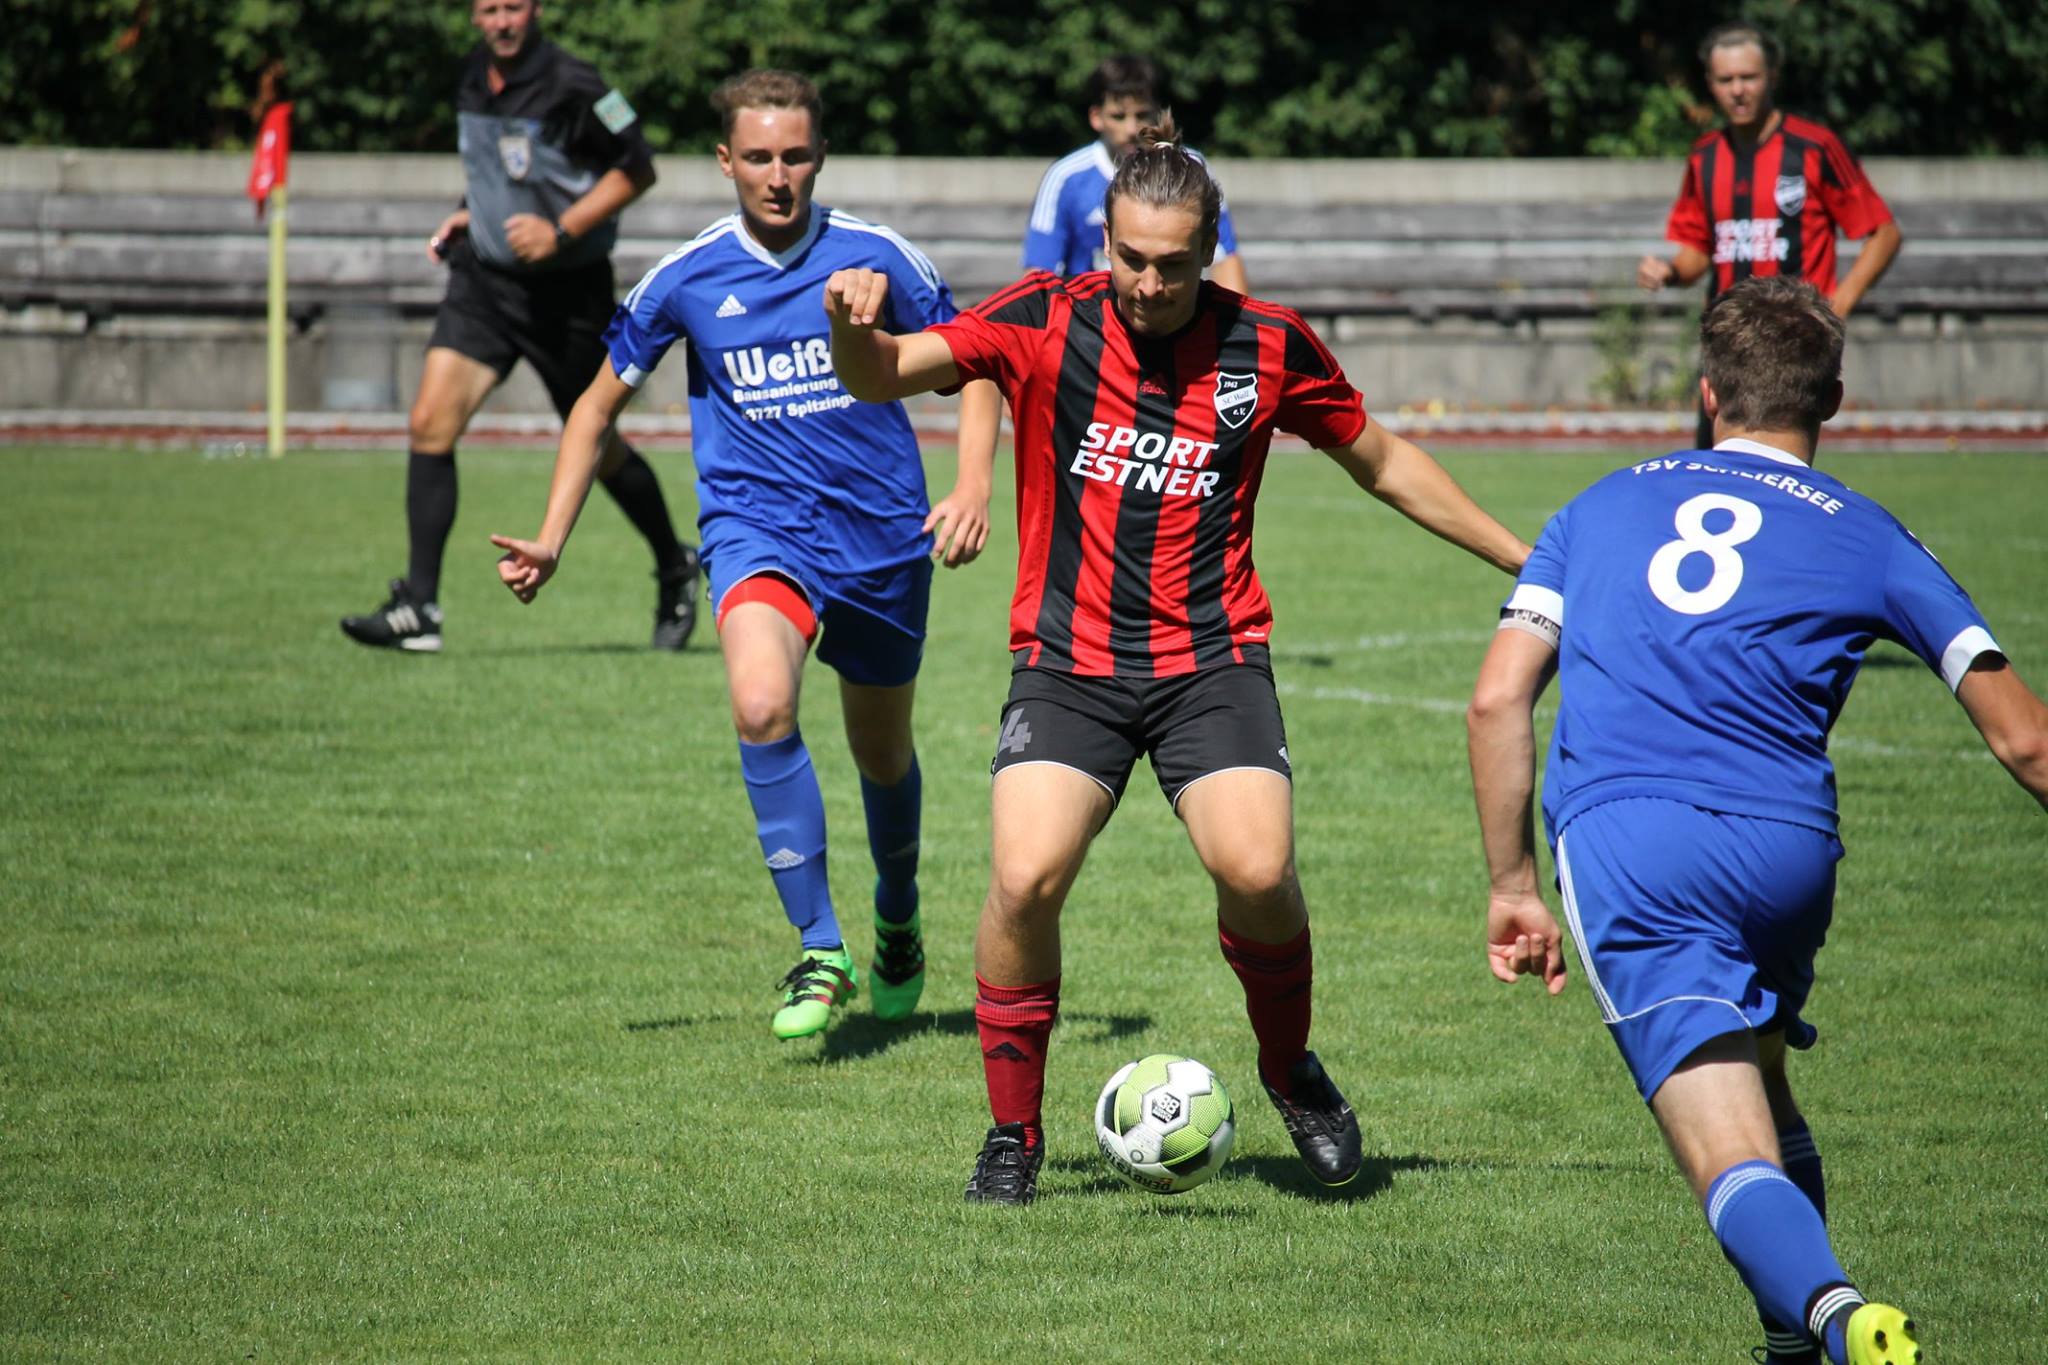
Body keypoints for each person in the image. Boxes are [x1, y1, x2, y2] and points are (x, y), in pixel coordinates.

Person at [826, 122, 1530, 1204]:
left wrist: (1525, 562)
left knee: (1255, 873)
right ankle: (1011, 1137)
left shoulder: (1269, 344)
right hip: (1068, 663)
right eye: (1130, 257)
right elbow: (881, 377)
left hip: (1212, 661)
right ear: (1101, 238)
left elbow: (1382, 462)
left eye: (1173, 263)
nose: (1149, 283)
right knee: (1022, 878)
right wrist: (848, 329)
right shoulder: (1038, 317)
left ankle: (1289, 1070)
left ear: (1209, 251)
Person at [1466, 277, 2048, 1365]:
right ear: (1831, 399)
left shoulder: (1593, 506)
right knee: (1762, 1074)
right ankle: (1792, 1346)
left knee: (1721, 1139)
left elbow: (1497, 697)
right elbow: (2024, 741)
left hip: (1629, 840)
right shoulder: (1874, 535)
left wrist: (1510, 886)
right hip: (1787, 852)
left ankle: (1836, 1320)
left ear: (1705, 394)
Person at [491, 69, 1002, 1040]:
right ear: (725, 161)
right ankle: (819, 948)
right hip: (754, 531)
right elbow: (595, 405)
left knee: (880, 752)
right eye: (758, 157)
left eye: (795, 155)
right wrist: (554, 536)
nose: (778, 175)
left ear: (819, 156)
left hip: (882, 540)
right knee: (762, 703)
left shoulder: (876, 258)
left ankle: (897, 915)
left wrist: (971, 487)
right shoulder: (685, 279)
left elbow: (976, 364)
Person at [341, 0, 697, 653]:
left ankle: (675, 567)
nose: (501, 22)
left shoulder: (580, 84)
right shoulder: (472, 74)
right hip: (483, 284)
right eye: (488, 10)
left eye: (512, 7)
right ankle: (420, 608)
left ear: (533, 10)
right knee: (429, 422)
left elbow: (638, 168)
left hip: (567, 294)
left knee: (601, 445)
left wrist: (560, 230)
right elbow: (489, 170)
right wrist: (463, 214)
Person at [1637, 22, 1903, 453]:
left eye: (1749, 77)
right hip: (1729, 343)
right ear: (1711, 85)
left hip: (1795, 342)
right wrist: (1668, 271)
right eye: (1726, 80)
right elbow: (1698, 252)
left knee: (1784, 472)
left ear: (1771, 78)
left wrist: (1837, 306)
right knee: (1716, 466)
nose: (1738, 90)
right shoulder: (1705, 156)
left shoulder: (1814, 148)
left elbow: (1884, 233)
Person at [1023, 55, 1249, 295]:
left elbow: (1225, 259)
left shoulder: (1190, 169)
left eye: (1141, 115)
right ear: (1096, 117)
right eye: (1118, 116)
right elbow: (1038, 279)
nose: (1131, 129)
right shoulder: (1065, 177)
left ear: (1157, 113)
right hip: (1087, 321)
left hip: (1169, 310)